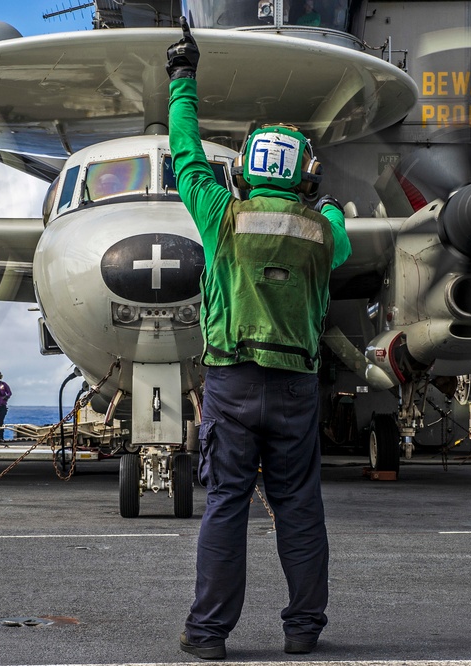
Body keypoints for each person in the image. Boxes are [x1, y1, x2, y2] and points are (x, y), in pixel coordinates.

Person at [166, 19, 351, 660]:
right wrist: (321, 203)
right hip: (298, 386)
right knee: (299, 507)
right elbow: (342, 236)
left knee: (226, 505)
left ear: (245, 169)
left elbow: (186, 155)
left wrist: (182, 81)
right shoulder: (323, 228)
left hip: (232, 380)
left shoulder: (222, 214)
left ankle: (209, 634)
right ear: (304, 174)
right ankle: (303, 630)